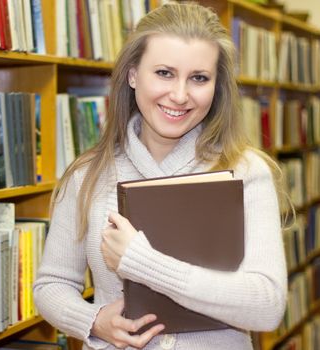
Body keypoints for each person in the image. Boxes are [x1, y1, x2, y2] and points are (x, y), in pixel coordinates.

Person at [33, 2, 288, 350]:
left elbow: (268, 307)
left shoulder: (245, 172)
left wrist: (142, 262)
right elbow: (51, 285)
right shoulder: (87, 175)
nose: (180, 95)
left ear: (217, 87)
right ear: (133, 74)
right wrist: (93, 320)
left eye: (199, 78)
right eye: (164, 73)